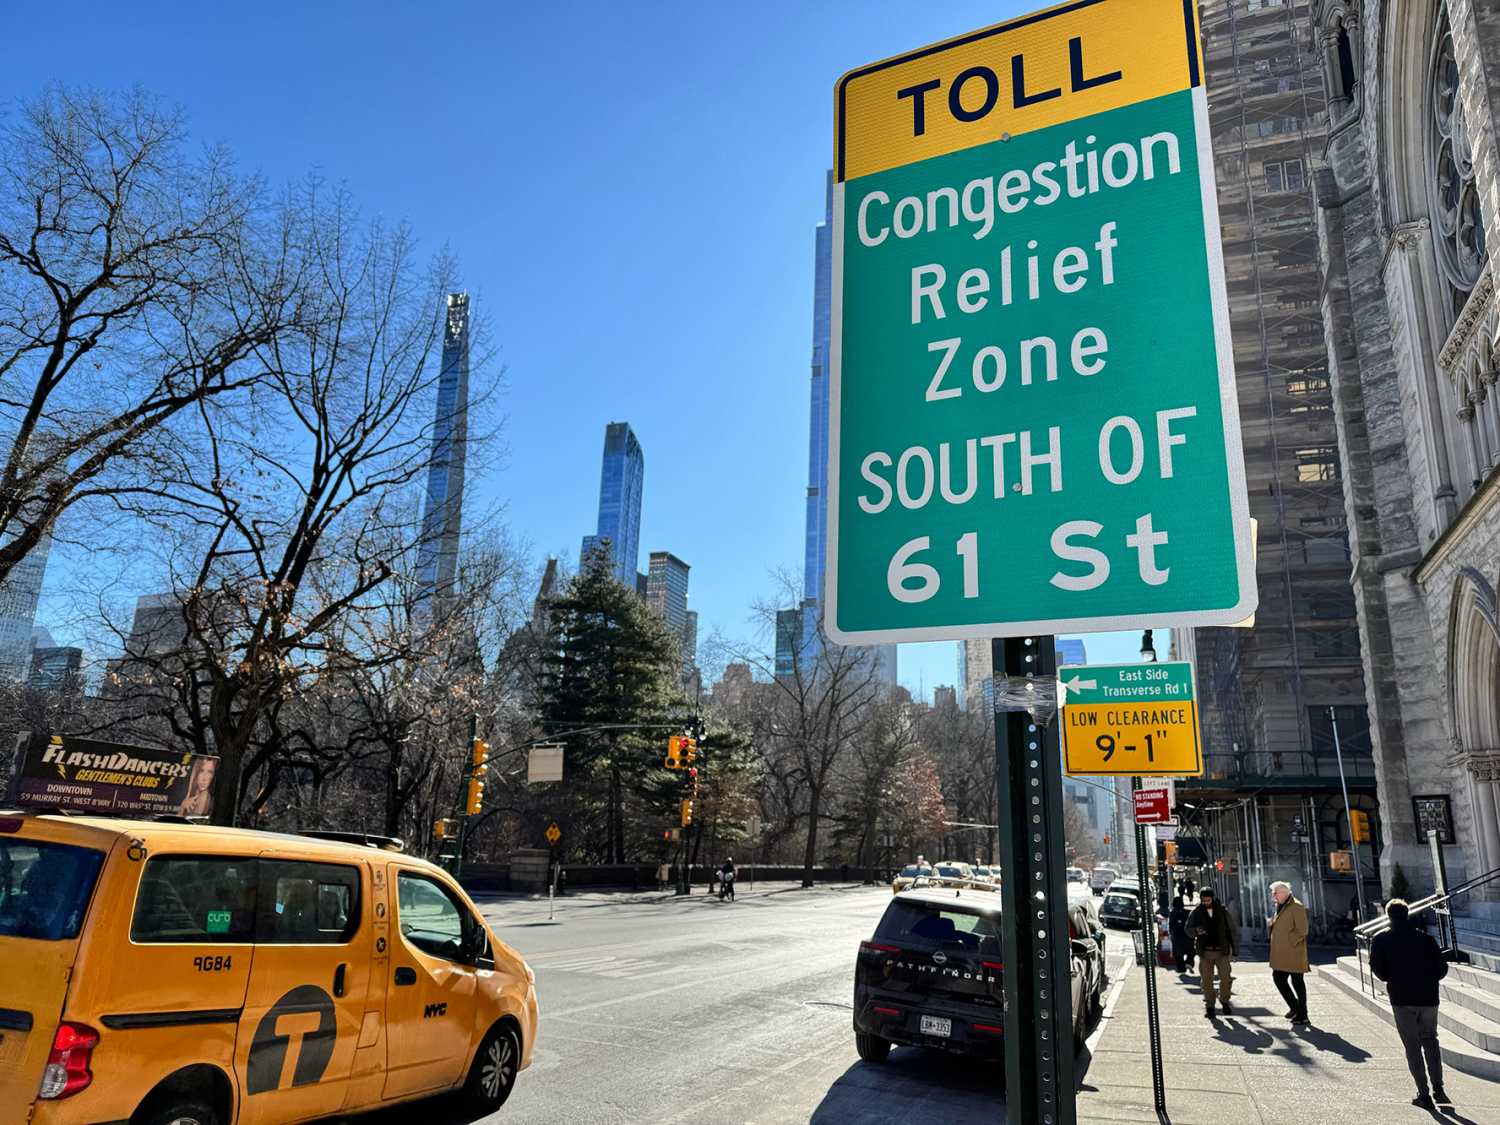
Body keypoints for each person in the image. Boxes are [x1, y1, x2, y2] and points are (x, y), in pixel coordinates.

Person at [1370, 899, 1451, 1110]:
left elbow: (1378, 970)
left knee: (1412, 1046)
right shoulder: (1426, 939)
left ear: (1388, 916)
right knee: (1431, 1041)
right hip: (1428, 997)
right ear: (1408, 914)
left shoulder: (1381, 939)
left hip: (1401, 997)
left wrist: (1394, 978)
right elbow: (1442, 968)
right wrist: (1429, 980)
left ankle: (1423, 1094)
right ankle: (1438, 1088)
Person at [1187, 887, 1238, 1017]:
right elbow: (1188, 929)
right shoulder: (1197, 912)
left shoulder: (1222, 910)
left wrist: (1235, 950)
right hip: (1205, 952)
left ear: (1212, 898)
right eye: (1203, 900)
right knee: (1206, 980)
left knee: (1226, 978)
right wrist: (1197, 931)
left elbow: (1231, 930)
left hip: (1222, 951)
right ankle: (1210, 1005)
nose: (1205, 902)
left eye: (1208, 900)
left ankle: (1225, 1001)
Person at [1267, 880, 1310, 1025]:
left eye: (1275, 893)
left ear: (1283, 893)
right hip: (1282, 953)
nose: (1273, 896)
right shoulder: (1281, 905)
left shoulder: (1296, 906)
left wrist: (1289, 941)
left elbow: (1302, 930)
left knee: (1297, 982)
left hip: (1293, 952)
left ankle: (1302, 1014)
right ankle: (1294, 1007)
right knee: (1279, 978)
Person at [1169, 895, 1195, 974]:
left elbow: (1171, 926)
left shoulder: (1172, 913)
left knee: (1178, 955)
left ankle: (1181, 968)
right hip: (1187, 936)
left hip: (1177, 937)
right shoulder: (1188, 912)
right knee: (1190, 952)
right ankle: (1189, 963)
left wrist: (1171, 935)